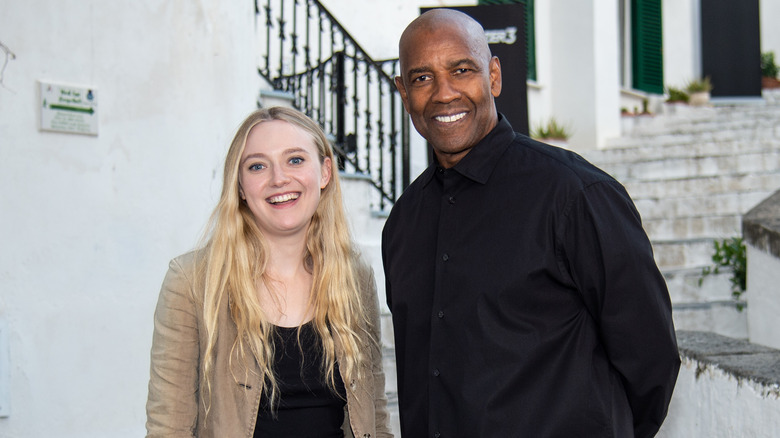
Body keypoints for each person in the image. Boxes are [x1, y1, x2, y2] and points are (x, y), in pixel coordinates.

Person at [382, 9, 680, 438]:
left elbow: (650, 359)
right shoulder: (403, 222)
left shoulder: (575, 195)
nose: (444, 93)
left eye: (461, 70)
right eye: (422, 78)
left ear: (494, 76)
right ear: (404, 93)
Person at [146, 107, 392, 438]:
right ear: (241, 187)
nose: (279, 179)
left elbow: (375, 415)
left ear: (325, 172)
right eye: (258, 166)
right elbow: (168, 428)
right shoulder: (192, 282)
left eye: (295, 160)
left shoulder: (353, 276)